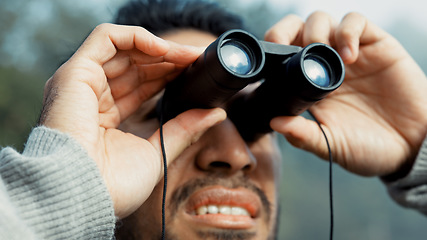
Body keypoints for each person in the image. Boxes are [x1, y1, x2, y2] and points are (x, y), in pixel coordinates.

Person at [1, 0, 427, 239]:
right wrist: (63, 190)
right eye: (174, 114)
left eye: (253, 122)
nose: (234, 153)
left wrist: (417, 145)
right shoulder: (65, 187)